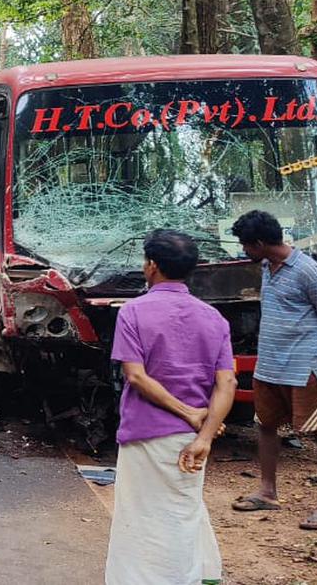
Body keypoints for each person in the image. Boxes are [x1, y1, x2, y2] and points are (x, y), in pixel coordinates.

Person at [104, 230, 236, 583]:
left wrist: (187, 412)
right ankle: (198, 574)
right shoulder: (214, 318)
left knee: (143, 518)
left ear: (151, 266)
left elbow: (136, 377)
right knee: (183, 510)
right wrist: (205, 434)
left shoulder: (133, 312)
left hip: (146, 433)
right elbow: (227, 383)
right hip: (192, 439)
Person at [229, 210, 317, 530]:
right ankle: (267, 491)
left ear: (261, 243)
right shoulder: (267, 266)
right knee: (265, 425)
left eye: (246, 245)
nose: (244, 251)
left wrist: (311, 341)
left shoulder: (308, 271)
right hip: (270, 364)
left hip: (303, 365)